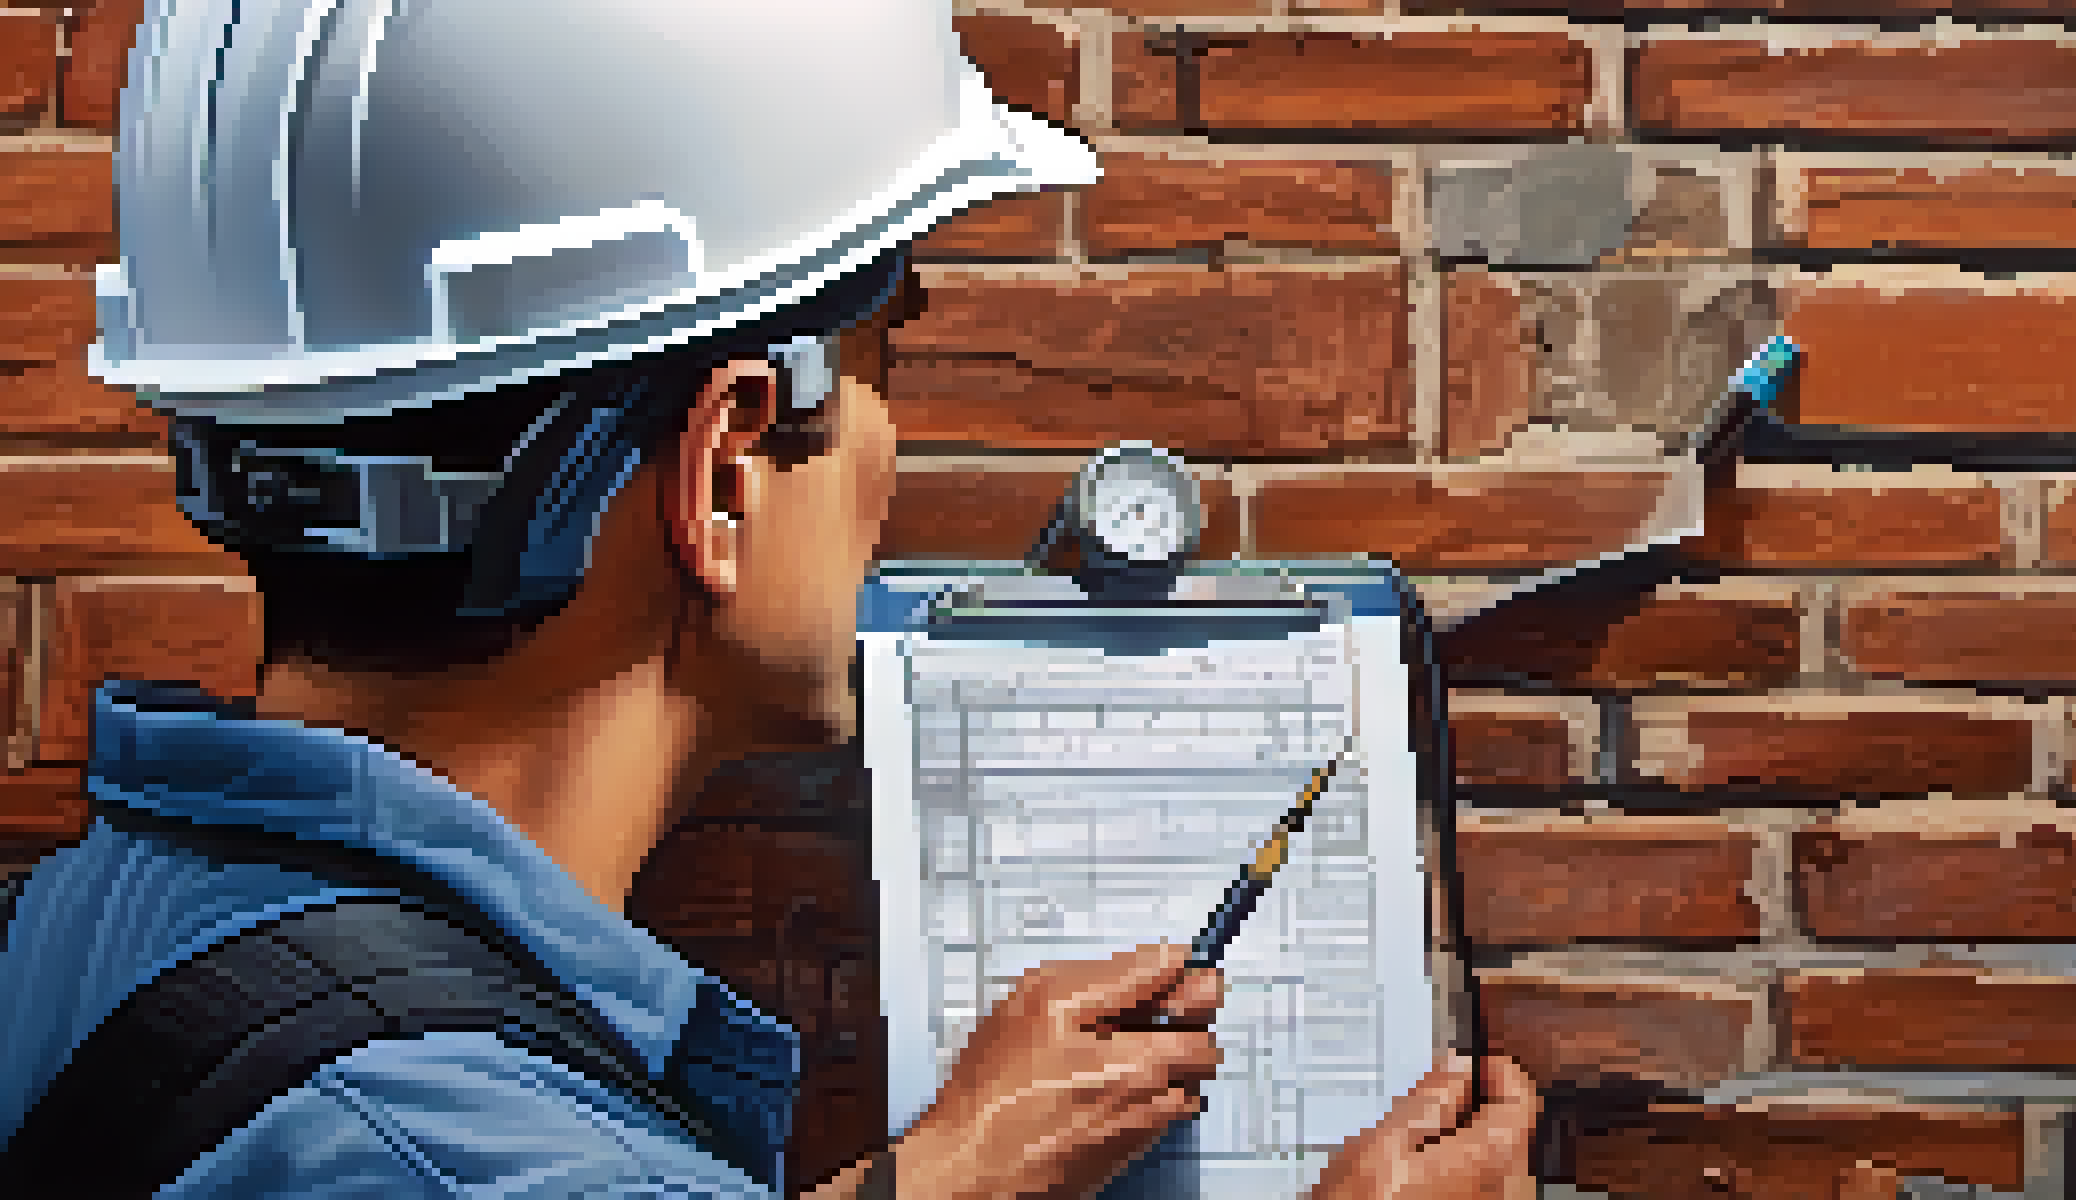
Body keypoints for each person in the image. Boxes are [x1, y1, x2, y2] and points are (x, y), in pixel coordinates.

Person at [0, 0, 1541, 1196]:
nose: (891, 450)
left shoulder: (95, 913)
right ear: (727, 468)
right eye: (884, 368)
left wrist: (930, 1179)